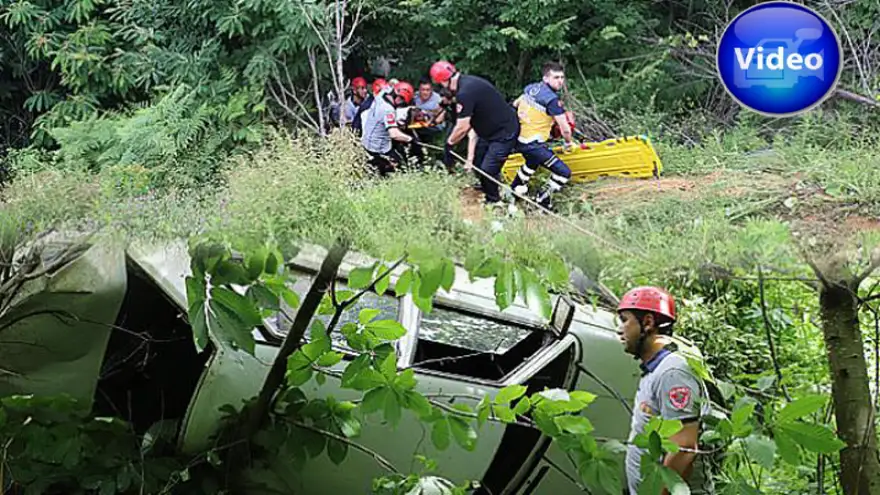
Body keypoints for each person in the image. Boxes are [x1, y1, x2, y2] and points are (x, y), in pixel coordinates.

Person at [616, 286, 713, 495]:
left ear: (648, 323)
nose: (619, 329)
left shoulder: (673, 373)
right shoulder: (655, 369)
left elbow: (684, 448)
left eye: (625, 320)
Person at [430, 60, 520, 207]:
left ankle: (494, 201)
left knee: (488, 169)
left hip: (504, 132)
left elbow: (463, 126)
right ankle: (487, 187)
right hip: (488, 132)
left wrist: (449, 144)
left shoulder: (465, 92)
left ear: (444, 82)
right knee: (478, 163)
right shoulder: (466, 84)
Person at [509, 61, 574, 211]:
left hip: (520, 139)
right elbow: (565, 128)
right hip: (534, 144)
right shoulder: (552, 100)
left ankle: (513, 193)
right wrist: (568, 142)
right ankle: (542, 200)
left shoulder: (531, 88)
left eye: (562, 78)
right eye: (556, 77)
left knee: (531, 164)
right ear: (546, 78)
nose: (560, 81)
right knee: (564, 173)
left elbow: (515, 104)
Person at [360, 80, 418, 176]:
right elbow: (394, 134)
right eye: (402, 103)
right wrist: (411, 139)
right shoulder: (388, 110)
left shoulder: (382, 94)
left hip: (367, 140)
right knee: (402, 168)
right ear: (399, 99)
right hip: (377, 148)